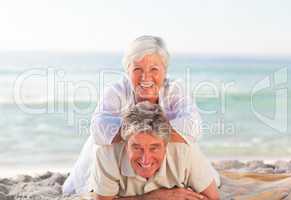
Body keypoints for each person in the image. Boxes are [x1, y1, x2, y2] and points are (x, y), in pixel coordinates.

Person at [63, 35, 220, 194]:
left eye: (154, 69)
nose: (146, 78)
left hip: (154, 154)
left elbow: (194, 127)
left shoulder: (173, 89)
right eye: (137, 69)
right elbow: (98, 130)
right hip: (121, 157)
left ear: (164, 71)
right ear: (127, 71)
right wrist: (140, 132)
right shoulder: (117, 91)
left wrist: (150, 133)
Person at [91, 102, 220, 200]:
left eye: (154, 148)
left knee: (215, 178)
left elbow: (213, 198)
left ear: (165, 145)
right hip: (97, 176)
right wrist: (155, 197)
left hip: (205, 171)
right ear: (125, 144)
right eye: (137, 147)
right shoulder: (106, 154)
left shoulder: (186, 151)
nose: (145, 159)